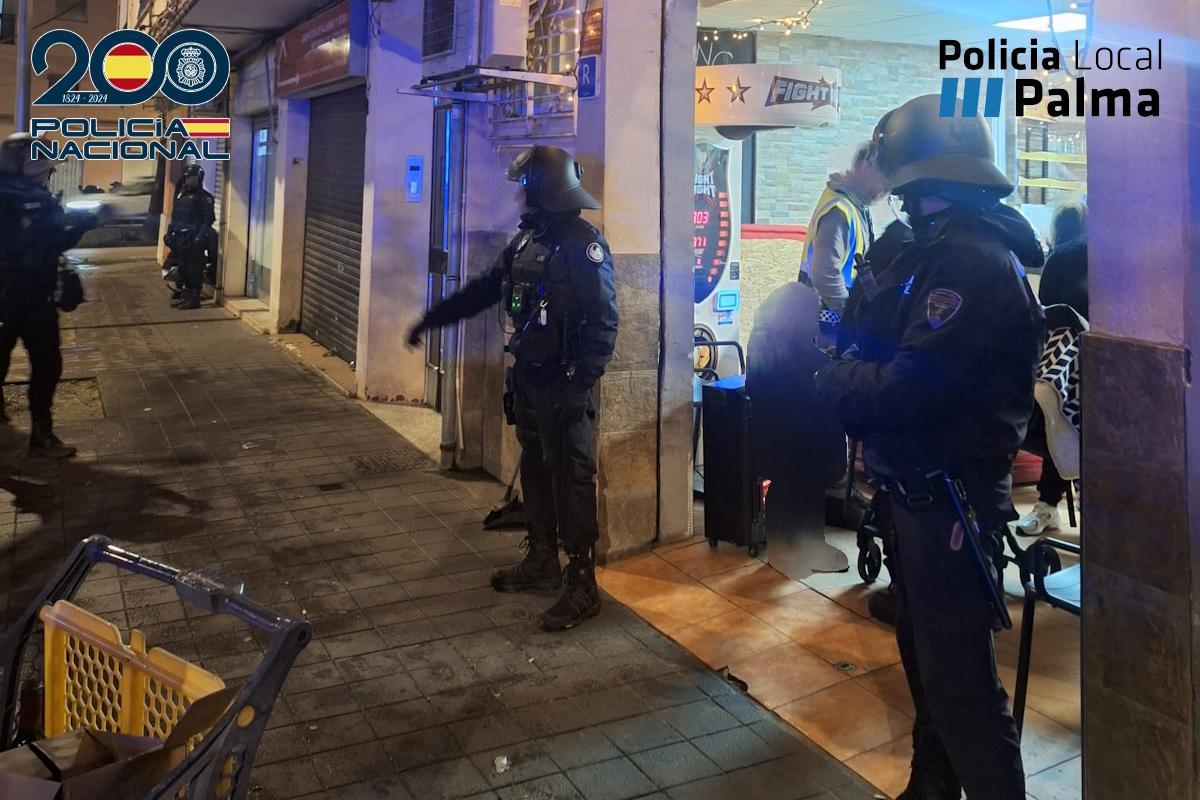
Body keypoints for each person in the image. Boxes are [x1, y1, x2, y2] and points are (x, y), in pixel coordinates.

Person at [816, 94, 1045, 800]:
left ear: (927, 179)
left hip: (951, 499)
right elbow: (865, 336)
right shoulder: (930, 253)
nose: (898, 199)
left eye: (905, 186)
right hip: (913, 491)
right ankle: (932, 788)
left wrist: (832, 381)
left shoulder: (973, 265)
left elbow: (906, 386)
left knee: (963, 691)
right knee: (926, 668)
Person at [407, 145, 618, 633]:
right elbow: (486, 289)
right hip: (529, 379)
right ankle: (543, 561)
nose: (521, 193)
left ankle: (582, 584)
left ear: (547, 186)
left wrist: (576, 385)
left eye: (527, 184)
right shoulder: (527, 241)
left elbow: (603, 324)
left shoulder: (584, 244)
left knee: (573, 480)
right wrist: (433, 318)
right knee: (538, 477)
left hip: (564, 387)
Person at [0, 133, 97, 458]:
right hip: (10, 296)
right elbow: (35, 246)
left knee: (47, 364)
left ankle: (41, 434)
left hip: (36, 298)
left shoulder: (34, 193)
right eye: (38, 160)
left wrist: (80, 226)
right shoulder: (9, 195)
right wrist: (75, 229)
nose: (46, 169)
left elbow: (49, 241)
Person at [1016, 202, 1088, 535]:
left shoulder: (1060, 258)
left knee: (1058, 421)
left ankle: (1047, 505)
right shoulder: (1099, 255)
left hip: (1058, 367)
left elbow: (1044, 315)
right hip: (1096, 364)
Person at [798, 143, 890, 351]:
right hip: (828, 325)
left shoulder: (855, 207)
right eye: (885, 180)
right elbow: (824, 275)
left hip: (831, 322)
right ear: (863, 167)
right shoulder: (839, 211)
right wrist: (852, 315)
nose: (884, 191)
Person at [165, 163, 215, 310]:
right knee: (183, 269)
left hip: (194, 239)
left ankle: (194, 298)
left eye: (192, 178)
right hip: (180, 238)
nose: (189, 180)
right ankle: (186, 296)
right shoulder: (182, 195)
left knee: (194, 269)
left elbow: (208, 219)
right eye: (188, 178)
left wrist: (200, 236)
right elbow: (175, 217)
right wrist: (169, 234)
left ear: (199, 179)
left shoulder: (205, 198)